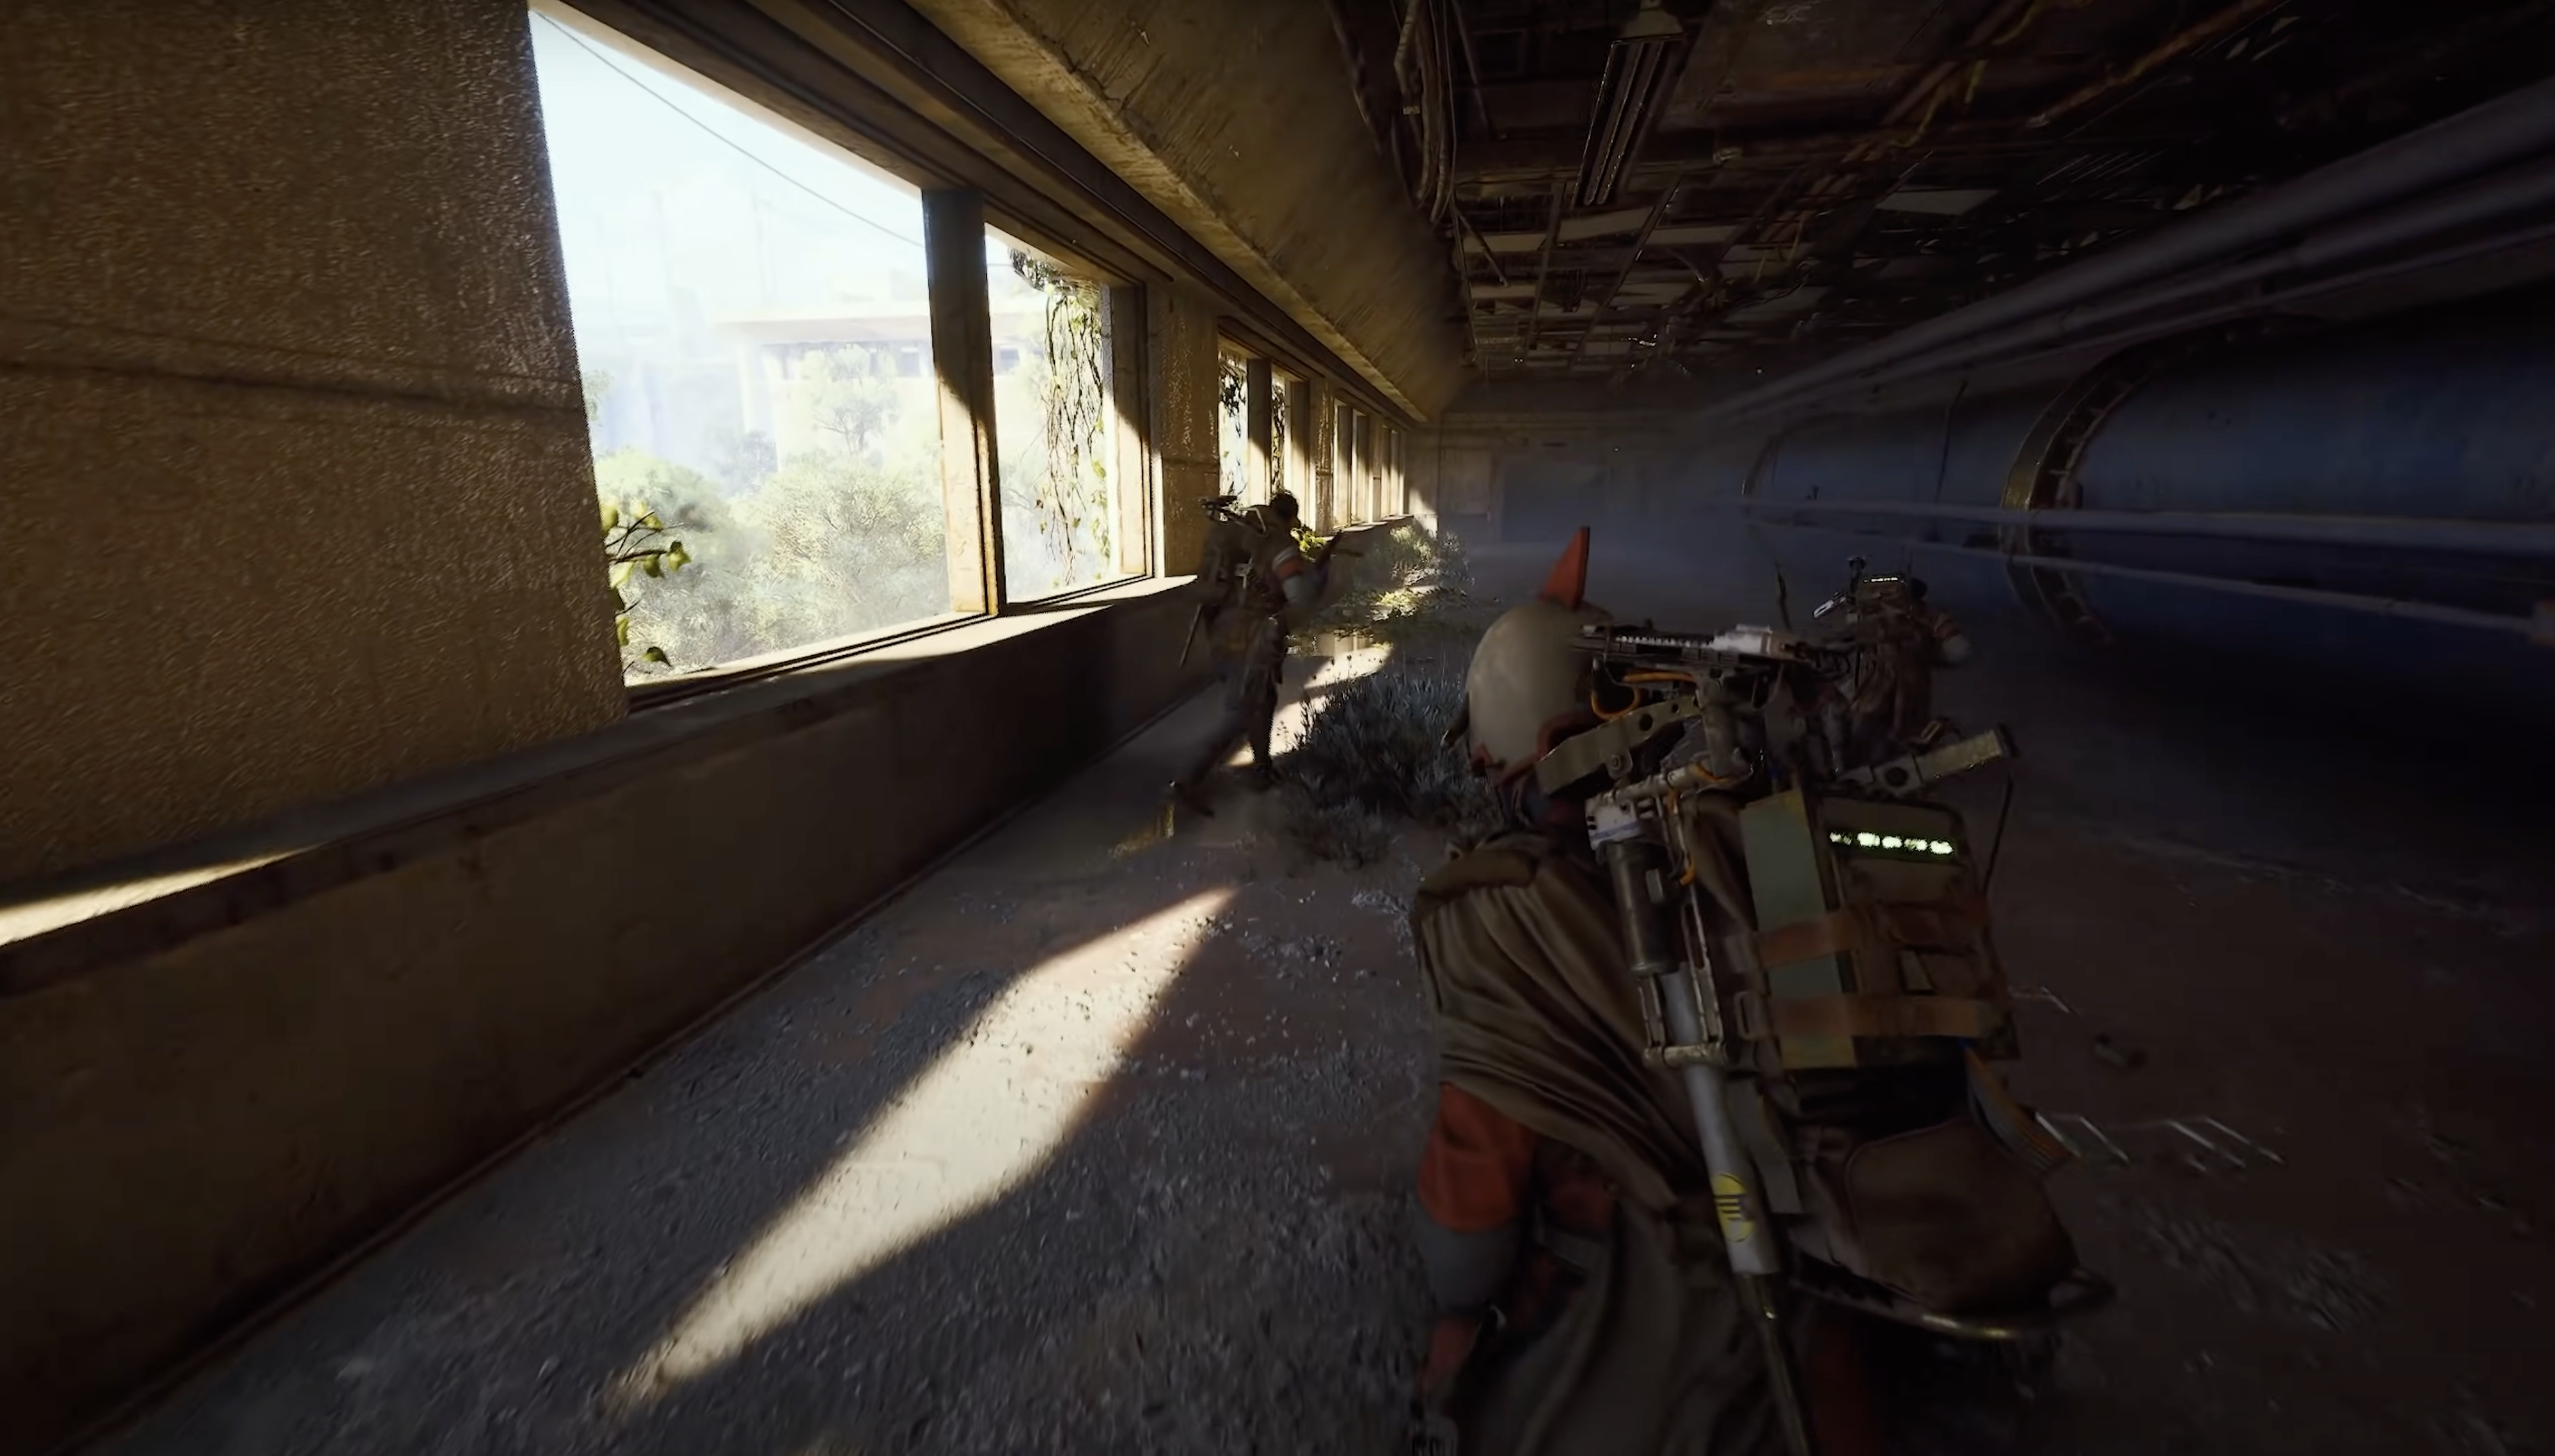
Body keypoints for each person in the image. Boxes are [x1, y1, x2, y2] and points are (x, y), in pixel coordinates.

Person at [1409, 530, 1882, 1456]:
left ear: (1511, 750)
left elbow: (1466, 1235)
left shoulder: (1503, 916)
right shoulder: (1737, 850)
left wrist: (1457, 1315)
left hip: (1656, 1334)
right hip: (1829, 1314)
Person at [1169, 491, 1330, 816]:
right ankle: (1185, 781)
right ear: (1290, 518)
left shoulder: (1242, 533)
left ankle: (1261, 767)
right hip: (1253, 641)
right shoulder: (1278, 545)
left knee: (1264, 699)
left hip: (1223, 633)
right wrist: (1317, 578)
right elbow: (1298, 599)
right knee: (1240, 712)